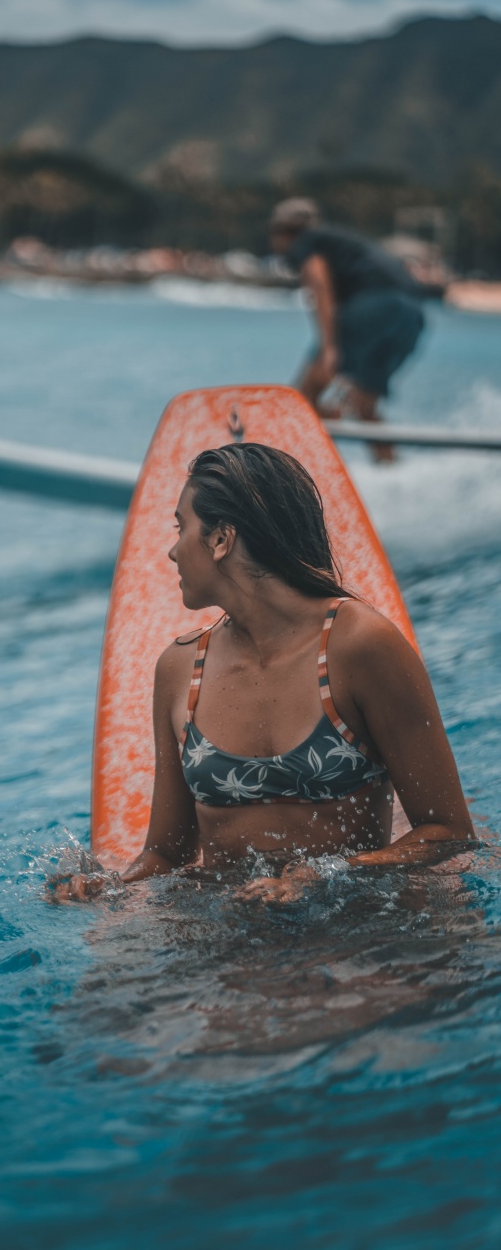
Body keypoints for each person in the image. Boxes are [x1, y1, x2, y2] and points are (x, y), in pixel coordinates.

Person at [56, 443, 474, 903]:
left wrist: (324, 877)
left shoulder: (359, 645)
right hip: (227, 935)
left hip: (356, 928)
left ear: (221, 540)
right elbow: (165, 853)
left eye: (181, 528)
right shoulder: (179, 669)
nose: (173, 552)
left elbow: (449, 832)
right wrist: (113, 886)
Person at [269, 198, 427, 462]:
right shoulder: (337, 242)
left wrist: (329, 346)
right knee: (364, 403)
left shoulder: (304, 242)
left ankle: (281, 475)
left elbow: (319, 282)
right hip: (413, 313)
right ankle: (391, 469)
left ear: (281, 232)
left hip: (376, 304)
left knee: (305, 395)